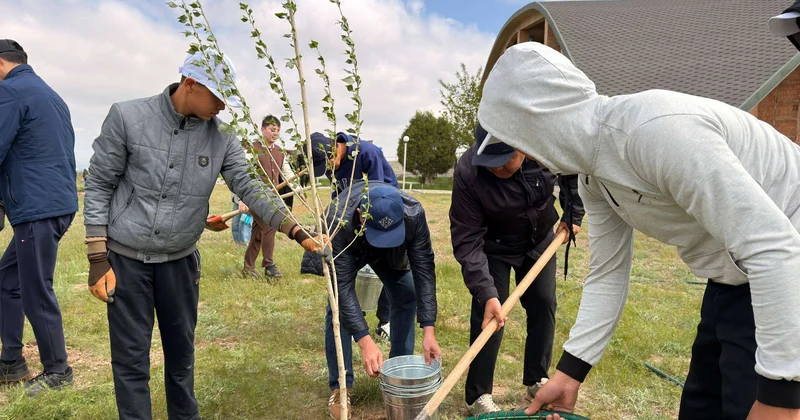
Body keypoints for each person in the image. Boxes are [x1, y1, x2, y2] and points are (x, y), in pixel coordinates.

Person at [477, 42, 800, 420]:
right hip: (731, 277)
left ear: (540, 123)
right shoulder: (593, 176)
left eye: (520, 140)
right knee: (700, 407)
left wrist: (781, 396)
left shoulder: (656, 132)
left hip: (783, 270)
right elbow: (607, 273)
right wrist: (570, 372)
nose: (527, 155)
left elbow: (774, 247)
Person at [83, 50, 325, 420]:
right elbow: (99, 185)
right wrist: (98, 258)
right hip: (126, 261)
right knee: (130, 362)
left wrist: (295, 229)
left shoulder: (223, 137)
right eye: (217, 98)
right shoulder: (128, 117)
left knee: (182, 356)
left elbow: (251, 187)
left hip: (179, 263)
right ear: (190, 84)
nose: (223, 107)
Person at [450, 123, 584, 415]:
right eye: (490, 163)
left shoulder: (545, 145)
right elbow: (467, 238)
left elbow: (574, 167)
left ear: (522, 147)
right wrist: (487, 293)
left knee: (544, 303)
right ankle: (478, 396)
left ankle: (537, 378)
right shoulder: (469, 172)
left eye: (502, 161)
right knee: (491, 317)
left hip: (539, 239)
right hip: (493, 246)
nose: (496, 169)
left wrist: (573, 212)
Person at [318, 181, 440, 419]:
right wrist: (364, 341)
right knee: (338, 310)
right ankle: (341, 388)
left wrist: (429, 329)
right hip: (350, 245)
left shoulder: (413, 214)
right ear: (360, 217)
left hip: (392, 254)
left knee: (407, 293)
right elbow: (341, 288)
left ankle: (397, 376)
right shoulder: (338, 221)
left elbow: (424, 270)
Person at [0, 39, 79, 396]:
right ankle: (12, 361)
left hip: (37, 207)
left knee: (35, 290)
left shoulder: (12, 92)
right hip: (55, 204)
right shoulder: (51, 94)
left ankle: (58, 371)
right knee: (8, 278)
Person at [310, 132, 398, 338]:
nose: (328, 171)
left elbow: (379, 194)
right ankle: (354, 316)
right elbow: (338, 197)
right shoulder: (331, 166)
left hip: (381, 212)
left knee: (386, 267)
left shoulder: (367, 153)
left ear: (333, 150)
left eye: (327, 164)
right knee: (347, 268)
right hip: (353, 216)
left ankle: (386, 319)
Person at [241, 115, 298, 280]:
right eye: (272, 130)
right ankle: (269, 265)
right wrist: (242, 199)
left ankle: (248, 268)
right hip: (255, 198)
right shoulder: (252, 150)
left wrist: (298, 190)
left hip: (272, 198)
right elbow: (242, 175)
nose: (275, 133)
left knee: (258, 233)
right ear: (263, 129)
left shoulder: (280, 152)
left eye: (278, 130)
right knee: (269, 226)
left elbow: (287, 173)